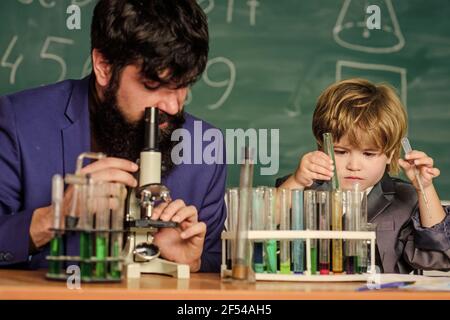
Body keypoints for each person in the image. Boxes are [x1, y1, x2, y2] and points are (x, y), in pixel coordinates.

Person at [0, 0, 226, 273]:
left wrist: (193, 261)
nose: (173, 106)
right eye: (153, 86)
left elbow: (218, 262)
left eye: (184, 86)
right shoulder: (19, 122)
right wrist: (55, 217)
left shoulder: (204, 146)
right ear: (104, 66)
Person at [277, 78, 450, 273]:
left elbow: (440, 256)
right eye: (341, 151)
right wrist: (298, 181)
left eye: (368, 154)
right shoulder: (302, 189)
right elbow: (262, 223)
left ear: (390, 154)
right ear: (322, 147)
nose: (354, 165)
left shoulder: (406, 199)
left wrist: (425, 188)